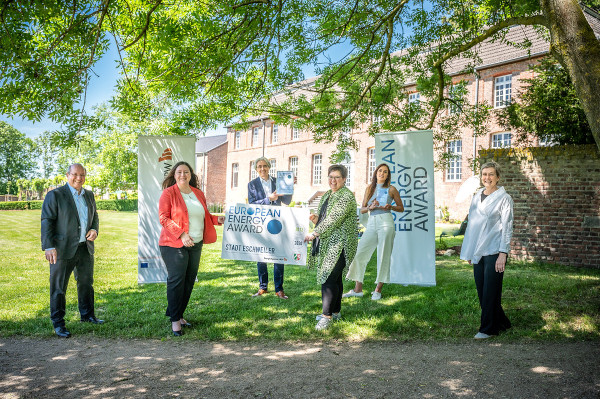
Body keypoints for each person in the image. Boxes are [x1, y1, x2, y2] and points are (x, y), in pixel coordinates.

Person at [158, 161, 223, 336]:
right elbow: (163, 218)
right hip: (174, 244)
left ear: (191, 175)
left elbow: (205, 215)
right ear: (174, 174)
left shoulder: (198, 194)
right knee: (177, 281)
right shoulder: (168, 193)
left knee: (188, 281)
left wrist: (218, 220)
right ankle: (174, 321)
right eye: (179, 172)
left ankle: (178, 314)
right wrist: (181, 234)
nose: (183, 175)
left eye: (186, 172)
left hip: (196, 243)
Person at [41, 163, 102, 338]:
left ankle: (88, 315)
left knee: (85, 284)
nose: (78, 178)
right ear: (67, 175)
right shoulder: (56, 195)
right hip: (62, 249)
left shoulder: (89, 195)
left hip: (85, 248)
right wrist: (49, 246)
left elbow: (94, 216)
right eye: (75, 174)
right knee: (59, 288)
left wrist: (94, 229)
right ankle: (58, 323)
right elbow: (47, 220)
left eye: (82, 175)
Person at [460, 161, 514, 339]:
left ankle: (488, 329)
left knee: (491, 291)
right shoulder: (477, 196)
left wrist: (503, 254)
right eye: (484, 174)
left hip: (494, 250)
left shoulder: (504, 198)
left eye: (491, 174)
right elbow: (472, 225)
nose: (487, 178)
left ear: (498, 177)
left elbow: (507, 227)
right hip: (478, 251)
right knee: (482, 290)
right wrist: (469, 250)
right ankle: (503, 323)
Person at [305, 165, 358, 330]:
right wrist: (316, 220)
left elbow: (333, 219)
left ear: (344, 179)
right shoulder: (327, 195)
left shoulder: (346, 196)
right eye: (330, 177)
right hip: (329, 242)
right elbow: (325, 218)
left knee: (328, 277)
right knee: (335, 278)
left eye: (336, 177)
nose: (333, 181)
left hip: (341, 243)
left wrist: (315, 233)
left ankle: (326, 317)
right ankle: (335, 312)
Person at [343, 163, 404, 300]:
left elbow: (401, 208)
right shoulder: (369, 189)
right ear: (376, 173)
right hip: (372, 222)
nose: (382, 173)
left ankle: (378, 290)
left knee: (384, 255)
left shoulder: (391, 189)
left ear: (388, 175)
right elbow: (363, 209)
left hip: (386, 222)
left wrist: (391, 207)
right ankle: (358, 289)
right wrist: (370, 207)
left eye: (385, 172)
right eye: (380, 171)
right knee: (360, 254)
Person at [247, 157, 292, 299]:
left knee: (278, 255)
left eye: (265, 166)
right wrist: (269, 199)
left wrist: (290, 188)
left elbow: (287, 201)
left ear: (269, 167)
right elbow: (253, 204)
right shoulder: (252, 184)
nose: (262, 169)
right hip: (261, 222)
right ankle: (263, 287)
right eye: (259, 166)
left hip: (276, 222)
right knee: (261, 255)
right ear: (256, 169)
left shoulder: (278, 182)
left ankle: (279, 289)